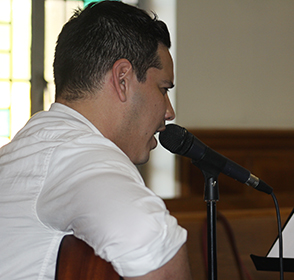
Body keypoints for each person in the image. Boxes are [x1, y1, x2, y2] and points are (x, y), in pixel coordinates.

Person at [0, 1, 192, 279]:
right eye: (163, 89)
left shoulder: (33, 146)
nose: (169, 112)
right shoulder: (77, 153)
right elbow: (155, 248)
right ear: (123, 78)